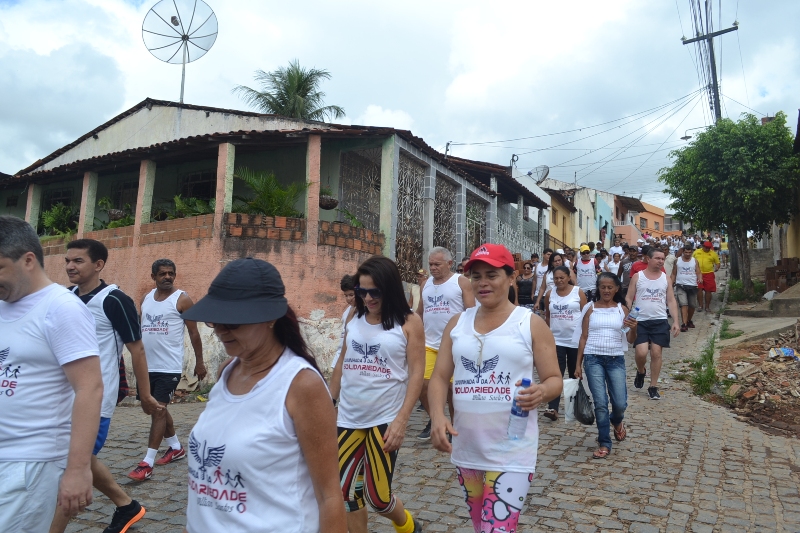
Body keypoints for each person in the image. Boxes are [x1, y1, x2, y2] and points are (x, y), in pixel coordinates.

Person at [178, 258, 345, 532]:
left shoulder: (301, 386)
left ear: (270, 318)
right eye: (214, 320)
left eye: (232, 322)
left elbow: (329, 497)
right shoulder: (227, 372)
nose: (220, 330)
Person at [426, 243, 562, 533]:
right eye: (476, 276)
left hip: (513, 449)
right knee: (480, 526)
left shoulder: (530, 323)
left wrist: (541, 392)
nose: (483, 283)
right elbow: (439, 377)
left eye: (492, 275)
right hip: (468, 448)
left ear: (511, 278)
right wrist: (437, 416)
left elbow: (554, 379)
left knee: (496, 529)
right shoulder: (457, 324)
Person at [0, 216, 103, 532]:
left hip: (30, 463)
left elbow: (90, 388)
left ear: (28, 260)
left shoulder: (61, 308)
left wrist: (78, 469)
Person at [50, 239, 160, 533]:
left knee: (74, 463)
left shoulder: (114, 300)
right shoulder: (66, 298)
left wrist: (145, 395)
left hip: (97, 396)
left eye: (78, 261)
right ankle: (126, 505)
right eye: (67, 260)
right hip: (63, 395)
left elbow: (137, 349)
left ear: (98, 265)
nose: (70, 266)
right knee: (79, 457)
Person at [330, 256, 425, 533]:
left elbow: (417, 374)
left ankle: (408, 525)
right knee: (347, 494)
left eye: (375, 292)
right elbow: (342, 362)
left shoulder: (409, 322)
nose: (367, 298)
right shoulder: (354, 316)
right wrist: (329, 402)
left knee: (378, 498)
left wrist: (402, 420)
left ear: (389, 288)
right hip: (349, 416)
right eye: (362, 291)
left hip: (385, 418)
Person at [129, 259, 206, 481]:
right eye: (162, 273)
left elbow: (194, 333)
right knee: (153, 408)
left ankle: (147, 463)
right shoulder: (146, 299)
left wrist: (199, 362)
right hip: (146, 365)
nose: (168, 277)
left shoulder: (182, 299)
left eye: (171, 273)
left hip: (168, 366)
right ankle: (175, 447)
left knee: (159, 410)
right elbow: (141, 330)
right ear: (153, 276)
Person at [574, 273, 637, 459]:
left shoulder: (622, 310)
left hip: (615, 359)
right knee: (600, 403)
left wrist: (634, 327)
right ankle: (604, 442)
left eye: (610, 287)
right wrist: (578, 364)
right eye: (603, 287)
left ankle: (616, 421)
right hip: (593, 358)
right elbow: (583, 337)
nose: (606, 290)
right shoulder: (590, 308)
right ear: (598, 288)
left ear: (616, 289)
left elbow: (630, 339)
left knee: (620, 403)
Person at [416, 247, 474, 440]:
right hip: (429, 343)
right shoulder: (425, 285)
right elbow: (420, 312)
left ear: (449, 263)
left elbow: (471, 312)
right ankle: (436, 419)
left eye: (437, 264)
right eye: (430, 264)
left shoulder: (461, 282)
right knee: (421, 385)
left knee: (452, 389)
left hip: (454, 343)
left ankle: (456, 426)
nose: (433, 268)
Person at [625, 248, 680, 400]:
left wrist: (676, 321)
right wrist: (626, 315)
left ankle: (653, 386)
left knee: (656, 353)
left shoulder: (665, 278)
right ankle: (641, 371)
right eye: (657, 258)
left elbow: (671, 300)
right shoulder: (638, 276)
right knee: (641, 353)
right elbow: (629, 297)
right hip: (640, 321)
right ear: (648, 259)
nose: (661, 261)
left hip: (659, 320)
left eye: (662, 259)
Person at [542, 265, 587, 421]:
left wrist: (585, 336)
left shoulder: (578, 292)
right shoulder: (550, 294)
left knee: (574, 373)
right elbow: (548, 316)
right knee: (556, 373)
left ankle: (573, 407)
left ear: (569, 277)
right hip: (556, 340)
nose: (559, 281)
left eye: (562, 277)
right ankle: (553, 407)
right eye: (556, 278)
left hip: (575, 340)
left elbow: (585, 315)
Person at [671, 244, 702, 332]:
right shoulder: (677, 260)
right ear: (683, 252)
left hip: (692, 285)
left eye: (689, 252)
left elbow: (698, 271)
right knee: (683, 304)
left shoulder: (694, 261)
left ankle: (689, 320)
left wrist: (700, 278)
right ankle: (684, 324)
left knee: (692, 305)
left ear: (692, 252)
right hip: (680, 285)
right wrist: (671, 282)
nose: (688, 254)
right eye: (686, 252)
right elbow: (674, 273)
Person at [331, 274, 357, 371]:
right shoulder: (347, 313)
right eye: (346, 295)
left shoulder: (369, 314)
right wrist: (335, 365)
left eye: (351, 295)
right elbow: (343, 341)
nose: (348, 299)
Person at [693, 241, 720, 313]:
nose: (707, 249)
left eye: (709, 248)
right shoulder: (696, 252)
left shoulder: (713, 253)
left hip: (709, 274)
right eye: (706, 247)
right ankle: (700, 305)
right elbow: (691, 260)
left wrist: (717, 268)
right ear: (703, 246)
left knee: (708, 290)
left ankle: (707, 307)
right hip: (698, 273)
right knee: (699, 289)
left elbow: (717, 263)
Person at [533, 248, 552, 313]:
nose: (549, 256)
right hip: (537, 294)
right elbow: (534, 280)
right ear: (543, 255)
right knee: (539, 313)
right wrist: (532, 293)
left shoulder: (551, 267)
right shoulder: (537, 266)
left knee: (547, 314)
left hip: (548, 294)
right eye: (548, 254)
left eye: (551, 255)